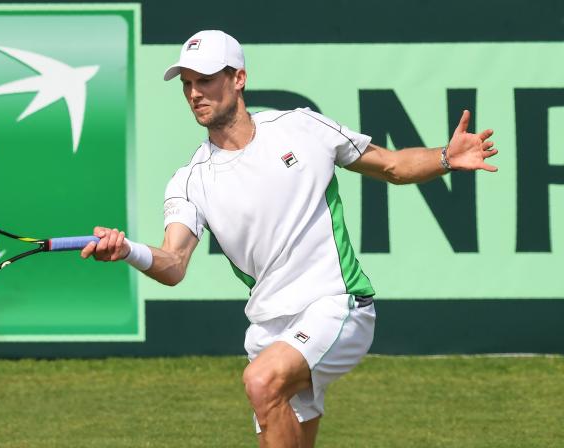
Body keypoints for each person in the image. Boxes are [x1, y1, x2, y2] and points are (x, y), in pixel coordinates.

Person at [80, 30, 498, 448]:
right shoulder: (188, 182)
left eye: (205, 79)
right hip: (268, 327)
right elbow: (173, 263)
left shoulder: (301, 127)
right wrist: (128, 251)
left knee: (261, 382)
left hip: (336, 304)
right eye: (187, 83)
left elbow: (391, 165)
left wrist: (445, 157)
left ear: (238, 78)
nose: (194, 93)